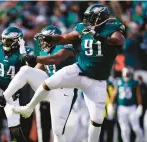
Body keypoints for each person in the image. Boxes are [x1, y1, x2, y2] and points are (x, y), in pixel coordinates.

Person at [10, 4, 125, 142]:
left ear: (100, 18)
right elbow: (65, 38)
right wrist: (50, 39)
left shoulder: (111, 28)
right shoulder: (83, 28)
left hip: (97, 79)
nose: (88, 20)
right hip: (80, 69)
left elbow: (119, 41)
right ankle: (28, 108)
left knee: (97, 119)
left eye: (91, 17)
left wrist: (98, 36)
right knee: (48, 83)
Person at [0, 25, 77, 142]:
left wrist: (35, 58)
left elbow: (56, 58)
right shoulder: (44, 52)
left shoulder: (65, 47)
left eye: (46, 39)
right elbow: (35, 70)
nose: (43, 42)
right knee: (25, 70)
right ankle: (3, 98)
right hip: (50, 88)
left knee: (58, 131)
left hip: (65, 92)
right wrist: (17, 83)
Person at [109, 67, 144, 142]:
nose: (127, 76)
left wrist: (140, 105)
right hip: (121, 108)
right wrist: (111, 104)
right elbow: (114, 93)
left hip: (132, 108)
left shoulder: (134, 82)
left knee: (136, 128)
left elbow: (138, 95)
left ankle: (142, 140)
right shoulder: (118, 81)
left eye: (128, 74)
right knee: (124, 129)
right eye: (126, 74)